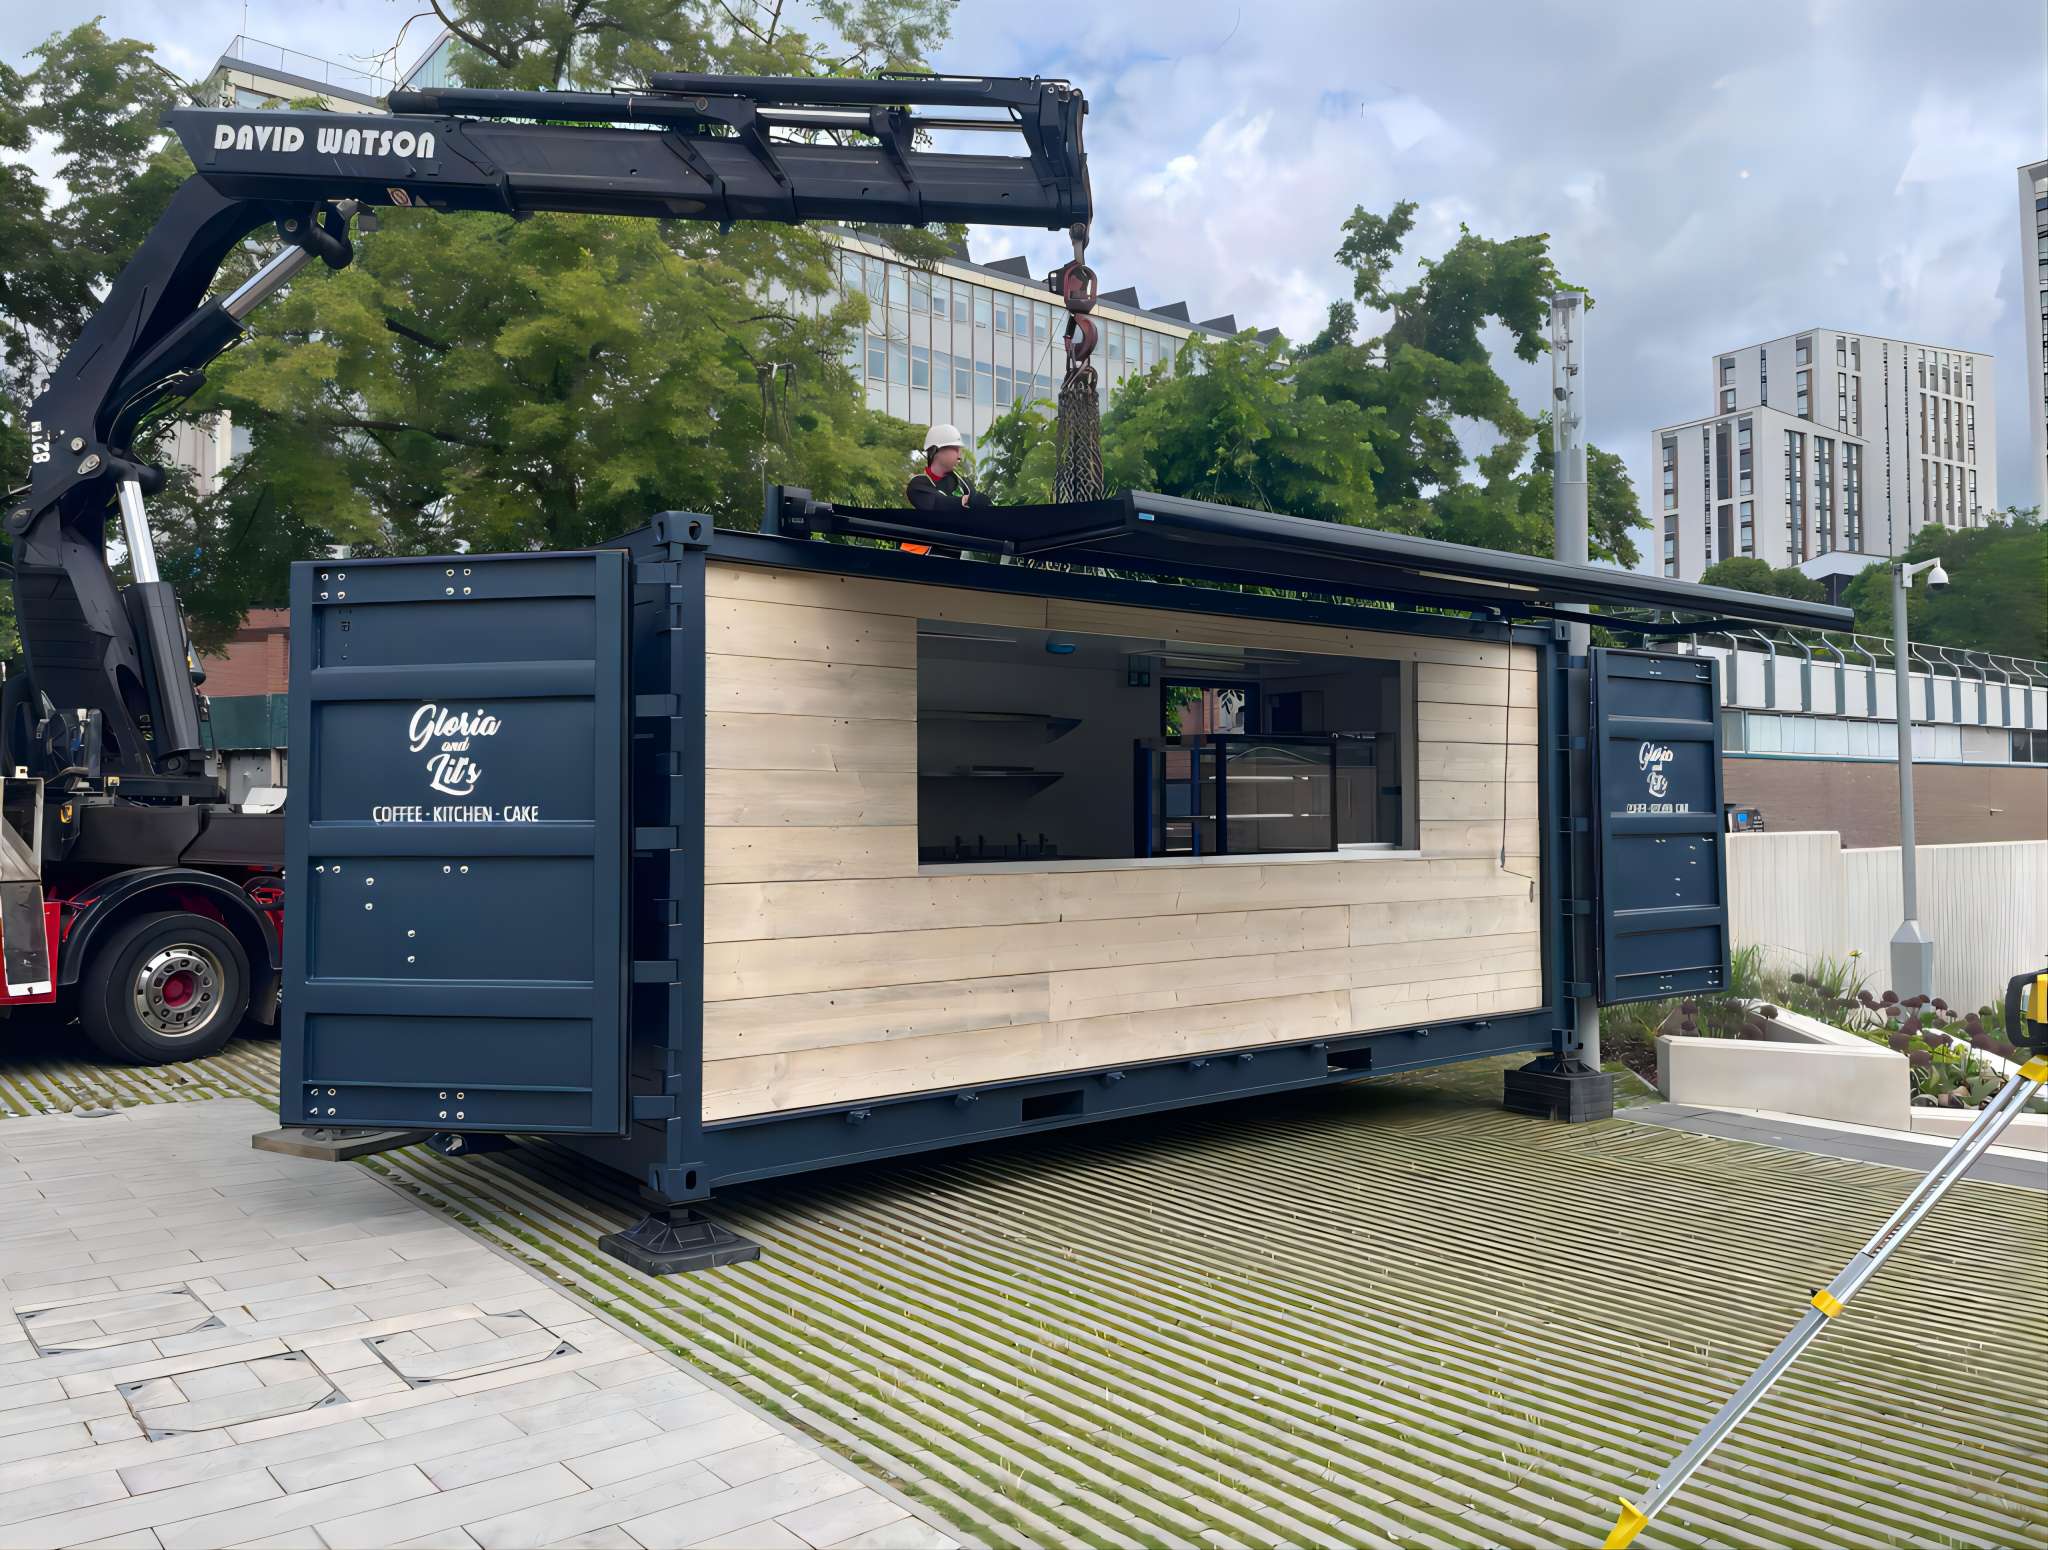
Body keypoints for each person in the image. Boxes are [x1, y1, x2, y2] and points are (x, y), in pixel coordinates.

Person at [905, 423, 993, 514]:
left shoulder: (963, 483)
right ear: (935, 450)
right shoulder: (918, 485)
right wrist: (965, 500)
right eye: (955, 449)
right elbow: (935, 503)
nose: (960, 456)